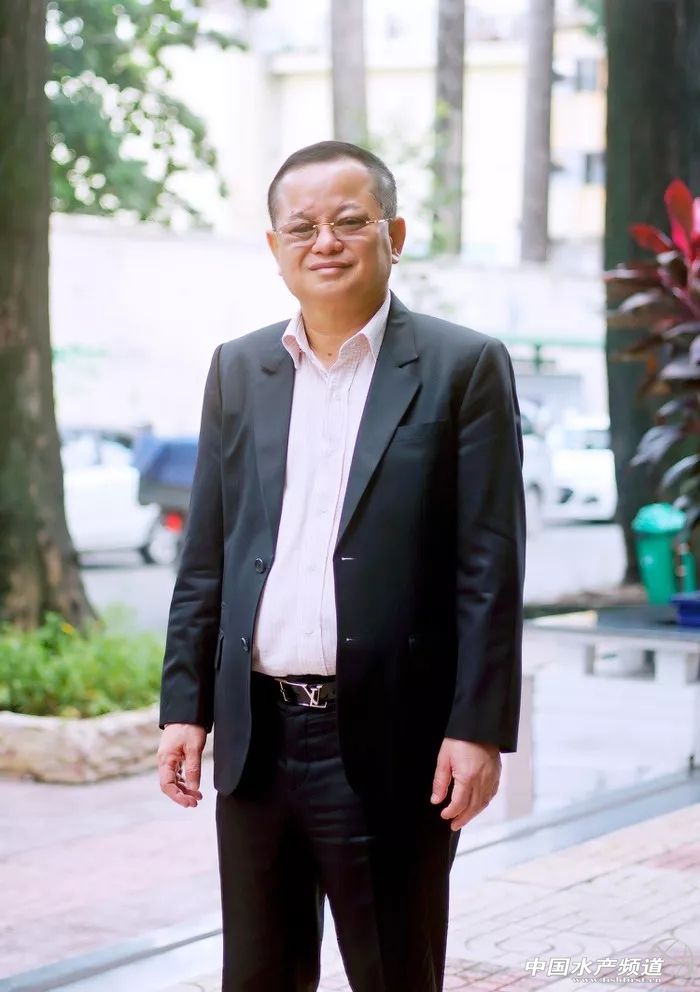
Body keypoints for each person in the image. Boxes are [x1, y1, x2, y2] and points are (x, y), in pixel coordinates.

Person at [157, 140, 526, 992]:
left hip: (395, 741)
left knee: (394, 973)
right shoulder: (239, 368)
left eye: (349, 221)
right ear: (275, 246)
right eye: (302, 226)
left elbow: (489, 566)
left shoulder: (462, 366)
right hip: (257, 741)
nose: (324, 241)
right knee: (257, 975)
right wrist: (185, 708)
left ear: (394, 234)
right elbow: (207, 553)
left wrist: (477, 729)